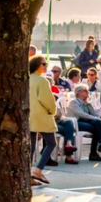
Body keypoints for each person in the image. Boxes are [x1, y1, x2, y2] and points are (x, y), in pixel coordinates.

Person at [29, 55, 58, 186]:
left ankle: (27, 175)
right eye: (44, 64)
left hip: (28, 115)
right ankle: (38, 170)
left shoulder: (28, 79)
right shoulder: (42, 81)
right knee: (51, 143)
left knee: (30, 146)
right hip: (41, 115)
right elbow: (48, 100)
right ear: (37, 65)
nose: (46, 66)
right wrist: (52, 111)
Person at [69, 85, 101, 161]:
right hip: (76, 122)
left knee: (97, 123)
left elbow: (95, 115)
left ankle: (99, 146)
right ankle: (96, 150)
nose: (88, 92)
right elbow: (81, 114)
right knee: (97, 126)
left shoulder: (87, 103)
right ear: (79, 92)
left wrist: (89, 105)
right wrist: (95, 118)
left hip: (86, 121)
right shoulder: (74, 102)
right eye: (85, 90)